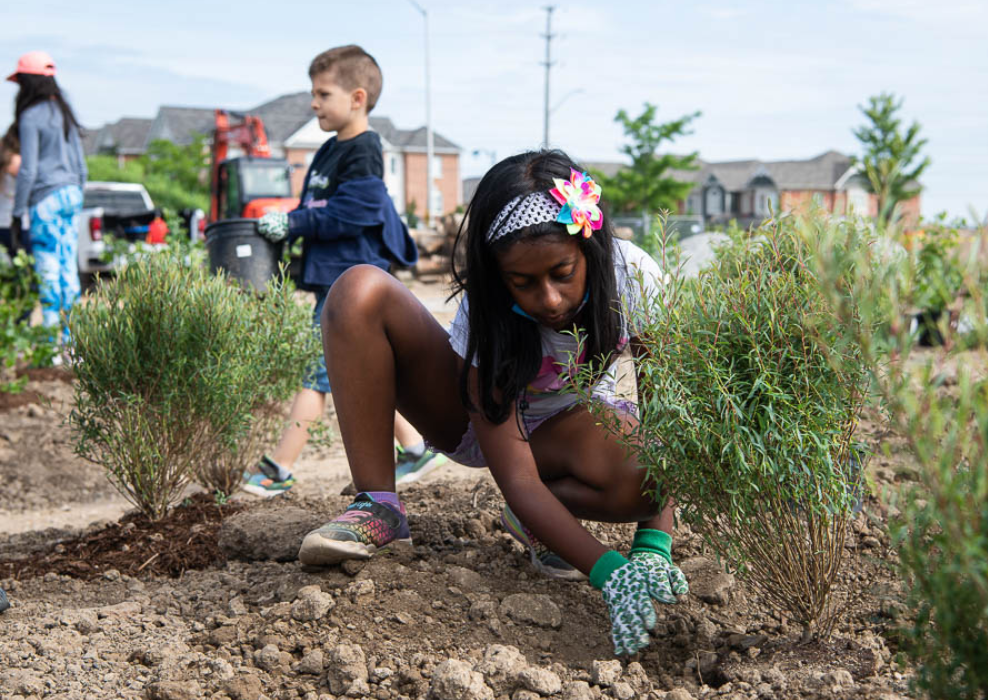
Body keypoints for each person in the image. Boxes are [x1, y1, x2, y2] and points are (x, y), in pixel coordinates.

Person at [297, 150, 689, 656]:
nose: (548, 299)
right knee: (358, 290)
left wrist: (652, 547)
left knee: (645, 471)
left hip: (573, 425)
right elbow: (517, 476)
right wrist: (609, 572)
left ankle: (536, 521)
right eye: (522, 283)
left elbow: (675, 430)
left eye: (562, 273)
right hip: (478, 425)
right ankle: (379, 506)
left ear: (587, 245)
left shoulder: (631, 276)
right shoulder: (487, 312)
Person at [245, 44, 434, 497]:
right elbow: (316, 208)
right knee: (359, 371)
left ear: (357, 97)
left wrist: (292, 222)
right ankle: (415, 448)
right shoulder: (328, 151)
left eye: (322, 93)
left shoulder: (365, 150)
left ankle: (280, 468)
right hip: (330, 276)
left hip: (351, 282)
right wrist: (289, 222)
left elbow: (353, 212)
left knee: (317, 371)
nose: (314, 103)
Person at [8, 51, 87, 346]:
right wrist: (76, 191)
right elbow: (81, 166)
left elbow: (28, 170)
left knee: (47, 271)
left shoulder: (31, 116)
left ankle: (48, 348)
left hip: (46, 198)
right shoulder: (64, 111)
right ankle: (73, 346)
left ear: (27, 82)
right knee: (69, 269)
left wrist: (18, 213)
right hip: (72, 194)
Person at [0, 125, 30, 258]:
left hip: (3, 221)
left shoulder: (4, 157)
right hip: (16, 224)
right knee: (24, 270)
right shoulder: (16, 160)